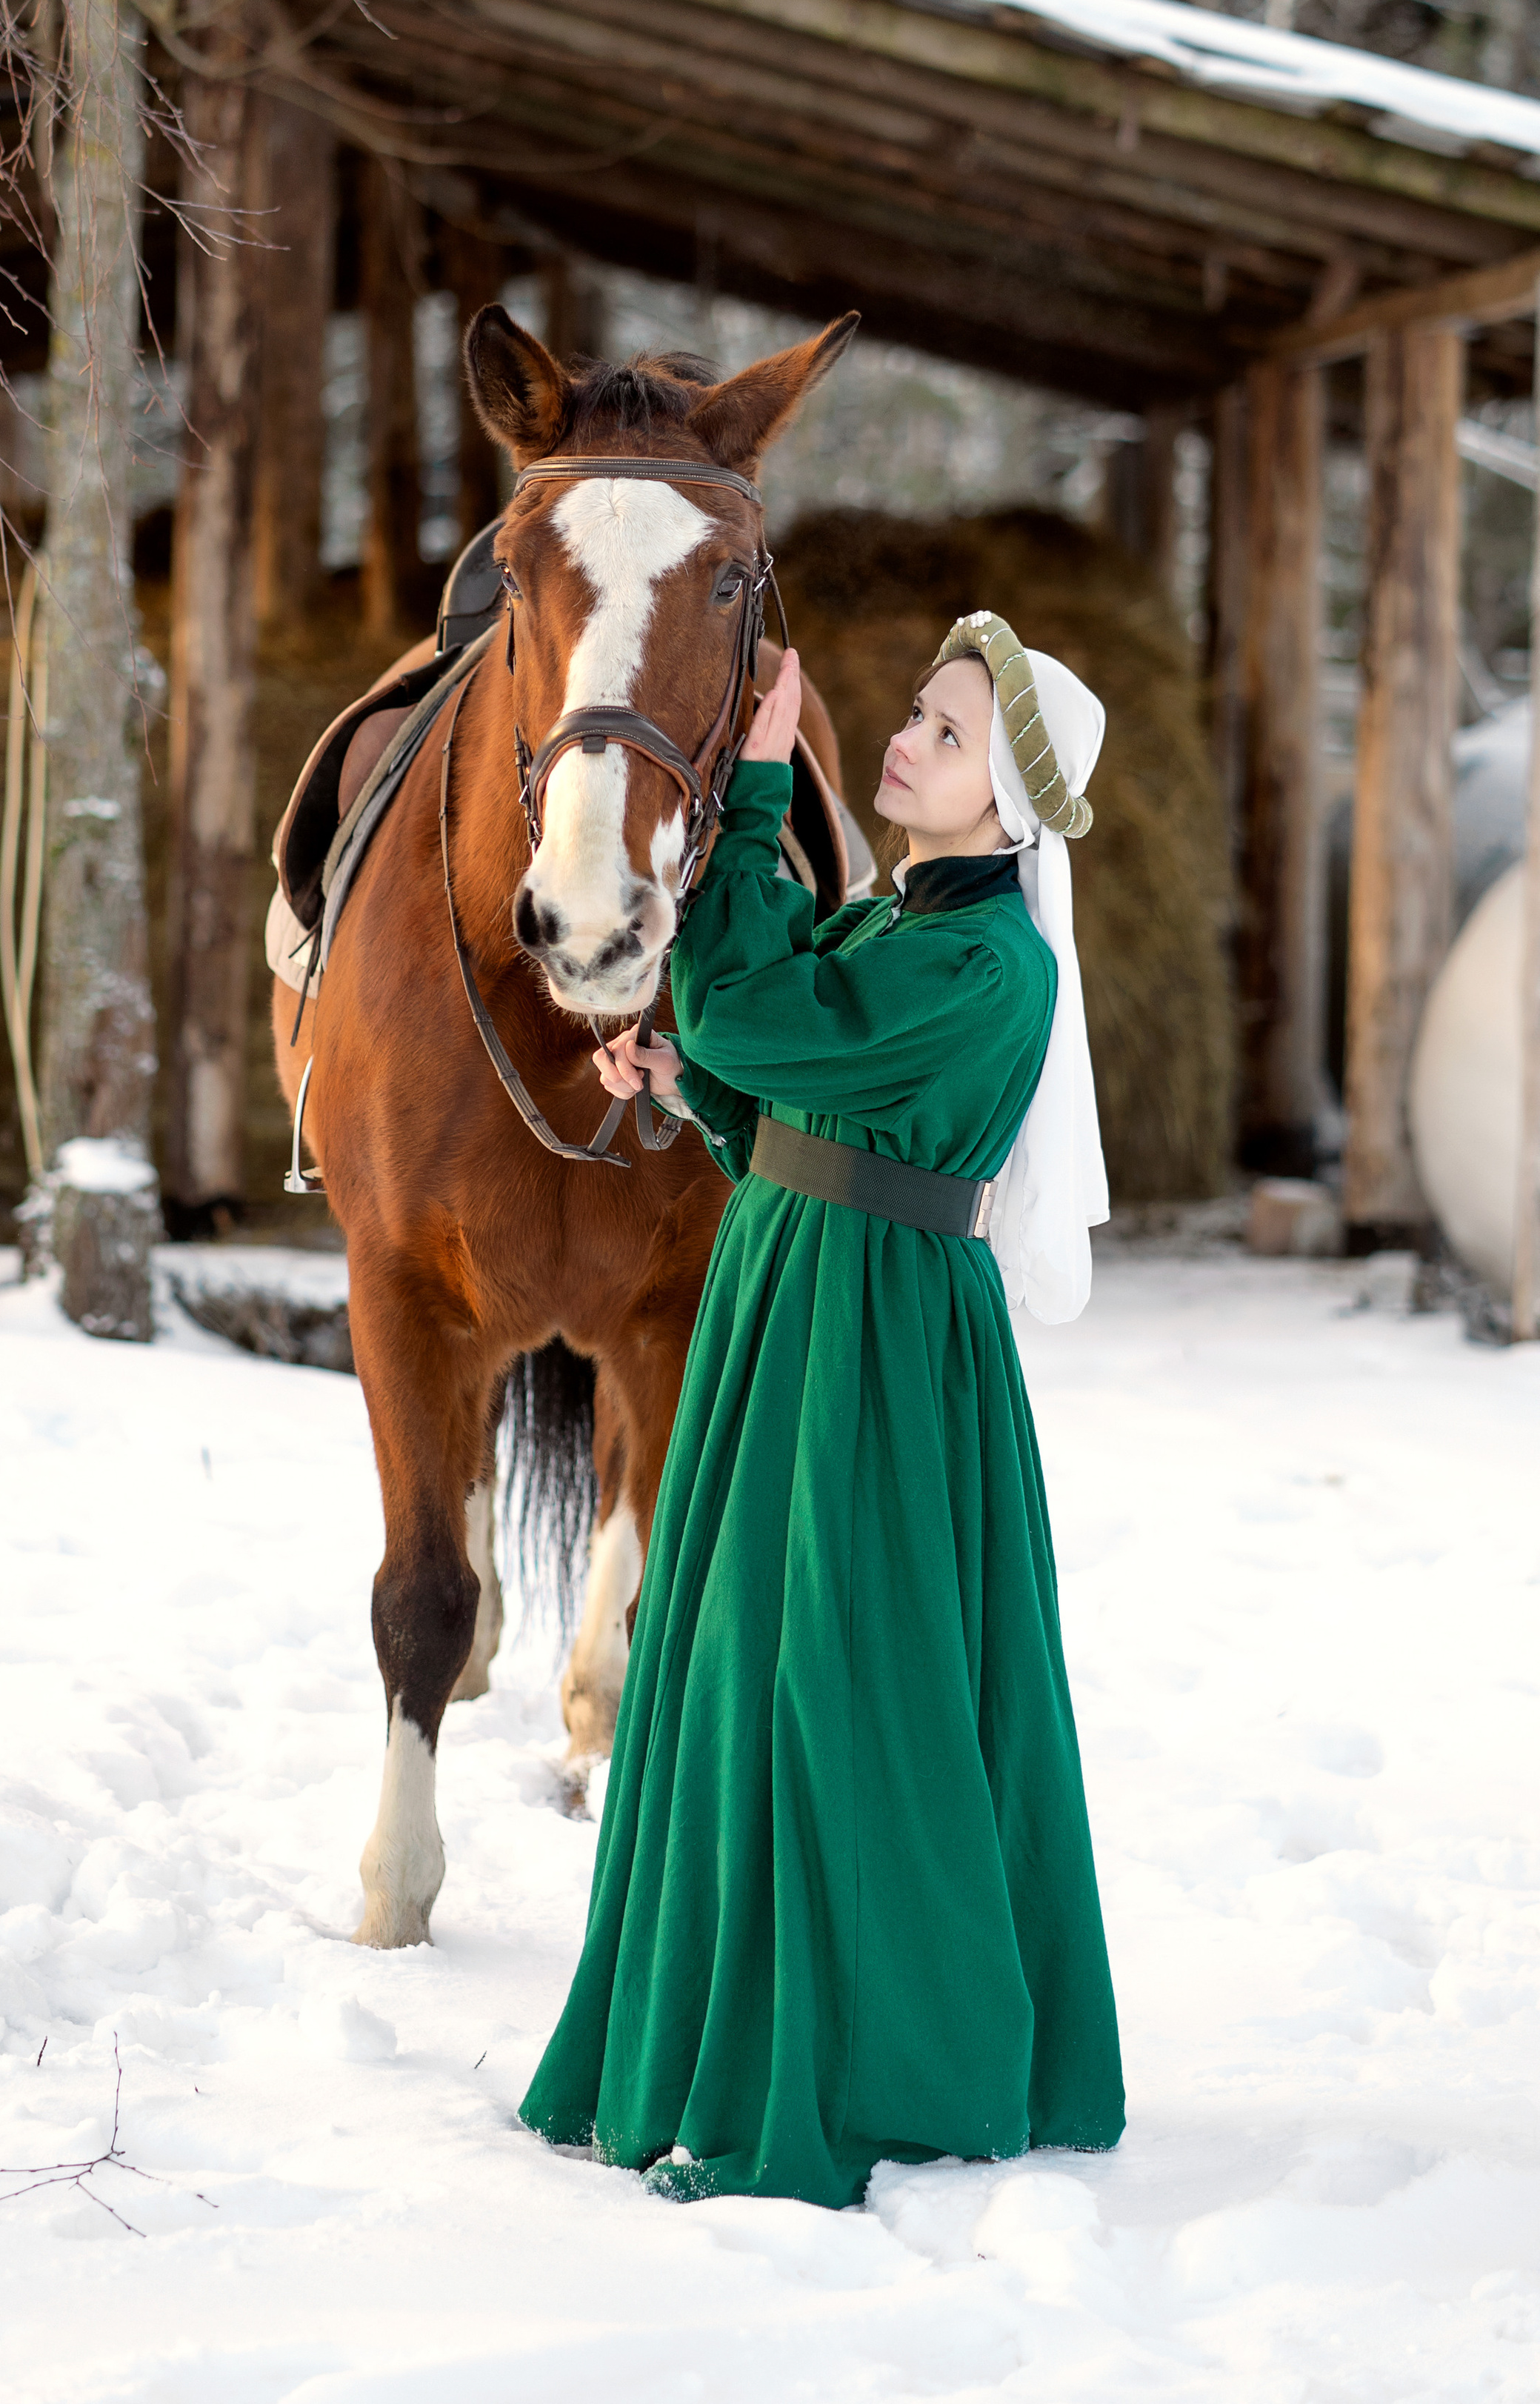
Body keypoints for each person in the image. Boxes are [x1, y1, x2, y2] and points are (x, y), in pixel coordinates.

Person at [518, 612, 1124, 2208]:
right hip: (787, 1297)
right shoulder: (886, 925)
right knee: (732, 1662)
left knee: (828, 1681)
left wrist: (760, 792)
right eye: (916, 714)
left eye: (942, 728)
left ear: (1005, 787)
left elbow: (757, 1015)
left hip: (871, 1345)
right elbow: (780, 1088)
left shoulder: (991, 962)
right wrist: (687, 1083)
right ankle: (722, 2015)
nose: (907, 740)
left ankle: (865, 2052)